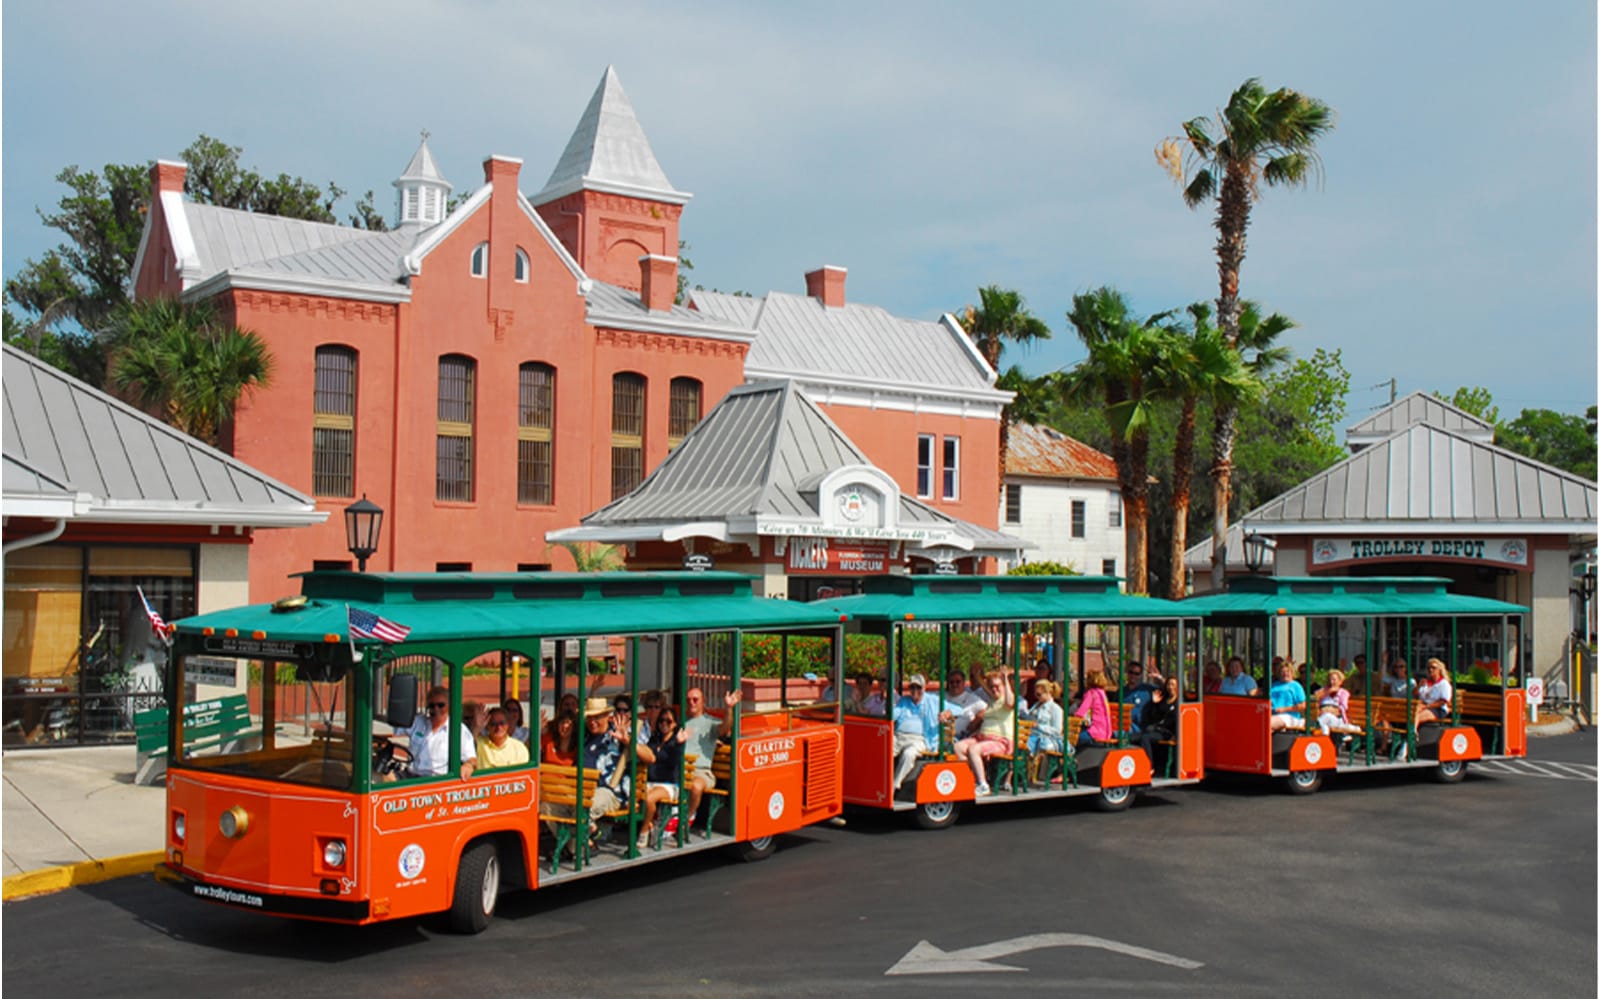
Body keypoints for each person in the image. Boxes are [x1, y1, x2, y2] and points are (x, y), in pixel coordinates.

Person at [582, 696, 654, 838]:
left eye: (596, 717)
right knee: (549, 808)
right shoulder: (585, 736)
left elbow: (650, 757)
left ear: (606, 716)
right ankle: (586, 839)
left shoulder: (618, 734)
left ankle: (581, 842)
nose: (592, 722)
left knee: (582, 809)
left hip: (609, 792)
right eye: (589, 718)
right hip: (583, 787)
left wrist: (627, 740)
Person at [682, 687, 741, 826]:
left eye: (695, 699)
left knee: (696, 787)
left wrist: (729, 708)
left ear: (703, 702)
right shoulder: (681, 722)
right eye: (688, 700)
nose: (691, 702)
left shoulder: (709, 722)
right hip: (681, 770)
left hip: (701, 772)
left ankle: (686, 820)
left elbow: (725, 727)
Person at [954, 671, 1015, 795]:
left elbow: (1010, 702)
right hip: (982, 737)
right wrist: (978, 676)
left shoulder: (1006, 701)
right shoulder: (992, 702)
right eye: (992, 686)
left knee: (973, 749)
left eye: (997, 686)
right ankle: (969, 778)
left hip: (999, 741)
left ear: (1004, 686)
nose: (994, 689)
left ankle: (982, 784)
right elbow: (986, 687)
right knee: (958, 747)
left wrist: (1006, 679)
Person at [891, 674, 954, 791]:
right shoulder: (904, 701)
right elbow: (893, 715)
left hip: (920, 739)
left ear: (924, 688)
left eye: (918, 688)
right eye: (912, 688)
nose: (915, 691)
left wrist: (947, 713)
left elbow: (959, 709)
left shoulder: (933, 701)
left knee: (909, 754)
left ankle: (894, 785)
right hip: (899, 736)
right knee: (884, 750)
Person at [639, 705, 687, 848]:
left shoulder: (676, 742)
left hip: (669, 784)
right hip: (651, 782)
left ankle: (644, 831)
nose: (664, 724)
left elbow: (674, 761)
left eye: (668, 721)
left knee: (649, 799)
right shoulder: (654, 740)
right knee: (633, 797)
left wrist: (679, 744)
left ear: (675, 724)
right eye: (661, 721)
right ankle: (652, 825)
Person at [406, 685, 476, 778]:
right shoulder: (418, 723)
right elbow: (396, 727)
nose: (436, 709)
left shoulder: (458, 729)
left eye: (440, 705)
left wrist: (468, 765)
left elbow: (472, 759)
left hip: (436, 780)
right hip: (409, 776)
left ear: (449, 706)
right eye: (432, 706)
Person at [1021, 679, 1064, 783]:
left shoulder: (1055, 709)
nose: (1037, 697)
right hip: (1031, 734)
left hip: (1046, 738)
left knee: (1026, 745)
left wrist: (1039, 726)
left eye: (1039, 694)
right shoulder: (1036, 706)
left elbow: (1057, 730)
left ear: (1048, 692)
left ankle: (1027, 774)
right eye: (1036, 694)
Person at [1134, 677, 1180, 770]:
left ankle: (1149, 767)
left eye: (1173, 685)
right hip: (1156, 729)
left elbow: (1178, 721)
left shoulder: (1179, 702)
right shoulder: (1164, 700)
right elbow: (1154, 717)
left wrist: (1176, 735)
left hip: (1167, 733)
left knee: (1145, 738)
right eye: (1169, 684)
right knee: (1134, 737)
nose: (1170, 687)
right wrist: (1154, 703)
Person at [476, 706, 531, 771]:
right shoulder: (478, 744)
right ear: (487, 725)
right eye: (493, 724)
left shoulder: (519, 748)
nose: (498, 727)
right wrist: (477, 727)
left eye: (502, 723)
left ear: (508, 725)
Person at [938, 669, 986, 740]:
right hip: (940, 736)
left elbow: (986, 709)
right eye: (951, 682)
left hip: (961, 737)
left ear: (963, 683)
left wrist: (976, 722)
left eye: (958, 682)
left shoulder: (972, 698)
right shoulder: (941, 697)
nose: (954, 684)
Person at [1314, 669, 1362, 737]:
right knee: (1325, 723)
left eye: (1334, 680)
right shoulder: (1325, 690)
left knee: (1327, 716)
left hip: (1336, 718)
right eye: (1330, 679)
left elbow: (1344, 707)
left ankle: (1320, 730)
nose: (1331, 682)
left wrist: (1332, 710)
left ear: (1340, 681)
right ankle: (1325, 737)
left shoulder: (1343, 693)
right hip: (1323, 716)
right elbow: (1315, 696)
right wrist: (1328, 692)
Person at [1073, 671, 1113, 748]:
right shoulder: (1102, 693)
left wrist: (1072, 714)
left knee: (1072, 736)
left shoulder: (1091, 693)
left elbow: (1081, 713)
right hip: (1107, 732)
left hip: (1095, 732)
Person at [1268, 661, 1307, 732]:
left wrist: (1284, 709)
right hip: (1273, 715)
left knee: (1268, 723)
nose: (1285, 673)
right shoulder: (1274, 685)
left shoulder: (1296, 686)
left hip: (1290, 716)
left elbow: (1302, 706)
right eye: (1283, 672)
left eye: (1287, 671)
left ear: (1292, 673)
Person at [1120, 660, 1159, 732]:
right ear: (1127, 673)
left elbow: (1170, 689)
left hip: (1139, 728)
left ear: (1140, 675)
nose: (1133, 676)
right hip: (1123, 725)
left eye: (1136, 673)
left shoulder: (1147, 689)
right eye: (1131, 672)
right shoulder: (1121, 691)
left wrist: (1159, 677)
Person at [1414, 658, 1454, 726]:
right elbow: (1415, 694)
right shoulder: (1425, 682)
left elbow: (1443, 701)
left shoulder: (1443, 684)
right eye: (1429, 668)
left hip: (1437, 709)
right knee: (1412, 714)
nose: (1430, 670)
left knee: (1417, 717)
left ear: (1439, 670)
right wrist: (1419, 686)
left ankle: (1412, 734)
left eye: (1433, 668)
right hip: (1422, 706)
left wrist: (1427, 706)